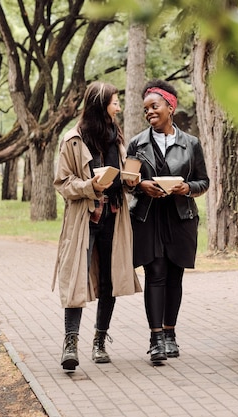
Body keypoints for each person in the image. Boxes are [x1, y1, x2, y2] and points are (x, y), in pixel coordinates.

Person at [52, 81, 141, 371]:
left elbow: (121, 175)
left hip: (113, 216)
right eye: (115, 102)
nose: (118, 107)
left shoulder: (117, 136)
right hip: (84, 218)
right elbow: (63, 183)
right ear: (100, 104)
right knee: (76, 277)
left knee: (109, 279)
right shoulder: (74, 140)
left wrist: (130, 180)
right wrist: (90, 186)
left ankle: (100, 341)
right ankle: (70, 343)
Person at [126, 79, 209, 363]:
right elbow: (128, 181)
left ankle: (171, 334)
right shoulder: (137, 144)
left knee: (175, 276)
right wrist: (141, 186)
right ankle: (156, 338)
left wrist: (187, 188)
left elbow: (203, 181)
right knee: (155, 274)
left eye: (154, 106)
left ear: (170, 107)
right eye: (146, 108)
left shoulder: (191, 144)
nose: (149, 112)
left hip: (180, 217)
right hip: (148, 218)